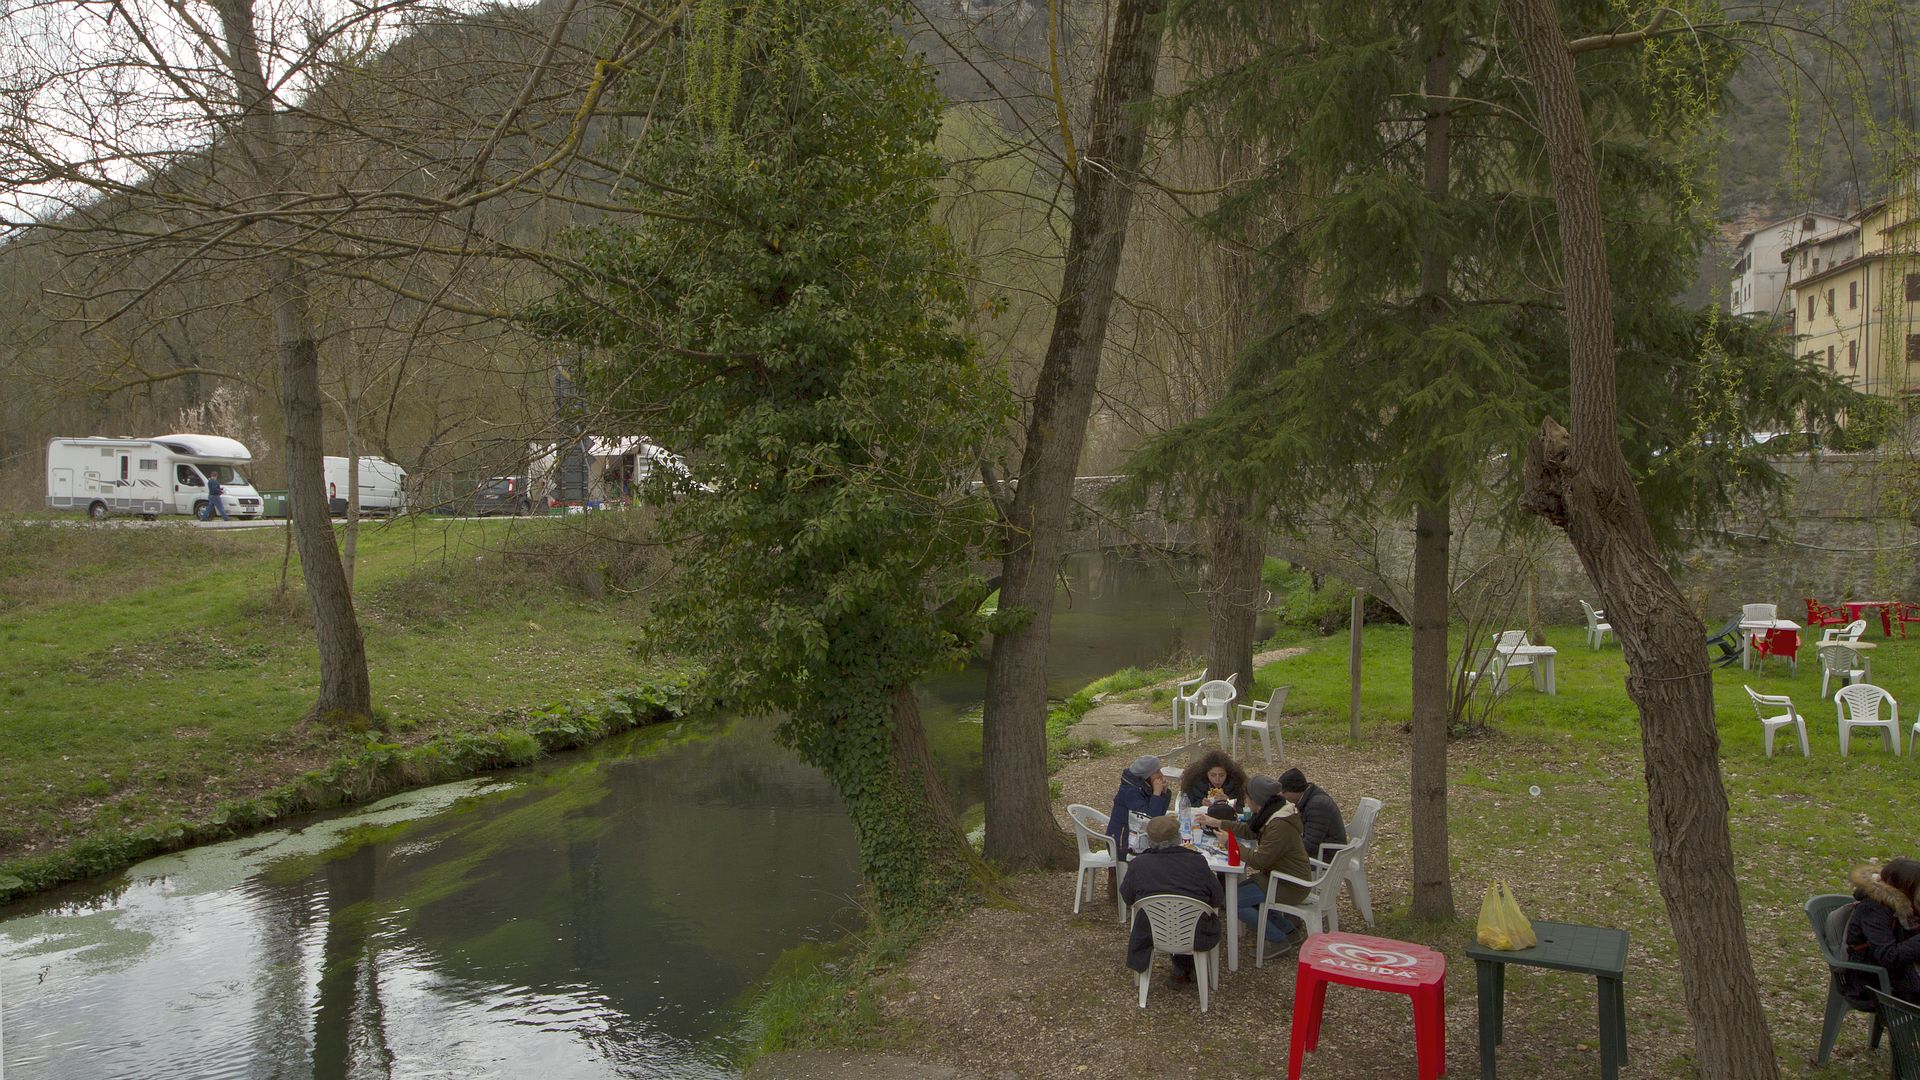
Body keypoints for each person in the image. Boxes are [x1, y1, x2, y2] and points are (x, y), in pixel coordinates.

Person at [1199, 774, 1311, 950]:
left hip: (1289, 884)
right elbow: (1250, 831)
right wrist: (1218, 822)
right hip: (1279, 876)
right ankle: (1289, 931)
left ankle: (1277, 940)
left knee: (1233, 901)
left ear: (1256, 800)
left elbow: (1259, 861)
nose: (1245, 801)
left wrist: (1230, 843)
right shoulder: (1273, 811)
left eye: (1247, 797)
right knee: (1232, 894)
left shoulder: (1279, 825)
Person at [1119, 815, 1223, 984]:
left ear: (1149, 840)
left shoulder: (1139, 864)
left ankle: (1182, 966)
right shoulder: (1197, 862)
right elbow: (1217, 898)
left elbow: (1127, 897)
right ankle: (1188, 966)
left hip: (1152, 931)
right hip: (1197, 932)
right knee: (1190, 916)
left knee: (1165, 917)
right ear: (1178, 838)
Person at [1842, 857, 1920, 1007]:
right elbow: (1888, 956)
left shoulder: (1911, 906)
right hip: (1874, 983)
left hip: (1904, 975)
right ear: (1904, 887)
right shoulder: (1874, 909)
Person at [1105, 755, 1171, 859]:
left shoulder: (1144, 787)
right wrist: (1157, 794)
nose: (1161, 775)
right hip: (1123, 845)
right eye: (1157, 772)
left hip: (1138, 837)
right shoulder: (1131, 792)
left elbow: (1159, 816)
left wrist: (1163, 793)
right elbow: (1150, 820)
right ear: (1147, 776)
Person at [1279, 767, 1348, 861]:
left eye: (1283, 792)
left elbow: (1310, 846)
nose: (1282, 797)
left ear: (1294, 791)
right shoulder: (1310, 798)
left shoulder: (1317, 805)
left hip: (1327, 857)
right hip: (1323, 850)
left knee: (1278, 860)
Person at [1181, 749, 1248, 810]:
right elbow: (1185, 807)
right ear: (1206, 773)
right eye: (1213, 775)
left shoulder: (1235, 783)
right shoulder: (1195, 782)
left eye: (1222, 775)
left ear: (1227, 774)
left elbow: (1241, 809)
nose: (1217, 780)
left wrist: (1229, 802)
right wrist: (1200, 804)